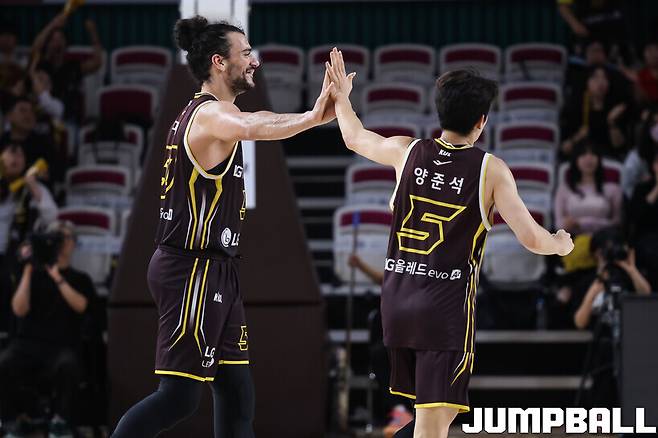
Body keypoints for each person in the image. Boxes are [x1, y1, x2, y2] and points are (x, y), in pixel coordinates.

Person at [325, 51, 574, 438]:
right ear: (481, 121)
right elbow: (531, 238)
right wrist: (560, 244)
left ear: (440, 112)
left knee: (437, 417)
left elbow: (354, 137)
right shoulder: (490, 170)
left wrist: (341, 97)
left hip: (397, 303)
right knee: (432, 425)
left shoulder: (407, 151)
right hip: (443, 310)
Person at [111, 16, 335, 438]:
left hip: (215, 269)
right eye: (245, 53)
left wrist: (311, 116)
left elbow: (255, 118)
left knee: (236, 393)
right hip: (191, 270)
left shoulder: (209, 113)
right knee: (178, 397)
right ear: (219, 61)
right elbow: (253, 126)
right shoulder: (210, 115)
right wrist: (310, 116)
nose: (255, 61)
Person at [0, 220, 96, 437]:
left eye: (64, 237)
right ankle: (11, 421)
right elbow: (19, 309)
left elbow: (81, 305)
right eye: (55, 237)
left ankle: (61, 422)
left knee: (68, 366)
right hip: (27, 344)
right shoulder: (32, 275)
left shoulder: (80, 279)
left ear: (73, 244)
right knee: (3, 364)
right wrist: (28, 268)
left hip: (61, 345)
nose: (59, 243)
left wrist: (57, 277)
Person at [31, 12, 103, 122]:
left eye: (60, 39)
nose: (57, 43)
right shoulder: (41, 66)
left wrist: (93, 33)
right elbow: (35, 49)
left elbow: (97, 63)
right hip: (43, 117)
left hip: (68, 118)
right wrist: (52, 25)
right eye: (53, 40)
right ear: (47, 44)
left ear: (66, 44)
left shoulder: (73, 67)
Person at [554, 141, 622, 235]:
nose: (588, 158)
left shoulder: (613, 189)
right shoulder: (564, 189)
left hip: (603, 238)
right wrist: (567, 224)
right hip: (571, 238)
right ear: (576, 160)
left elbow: (617, 223)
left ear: (599, 159)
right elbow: (558, 224)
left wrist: (583, 223)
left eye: (593, 154)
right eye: (583, 154)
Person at [560, 66, 630, 158]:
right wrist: (577, 137)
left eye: (605, 78)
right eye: (595, 77)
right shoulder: (575, 108)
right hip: (580, 158)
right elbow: (564, 149)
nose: (600, 82)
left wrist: (612, 122)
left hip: (608, 158)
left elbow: (619, 147)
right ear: (587, 82)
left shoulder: (616, 108)